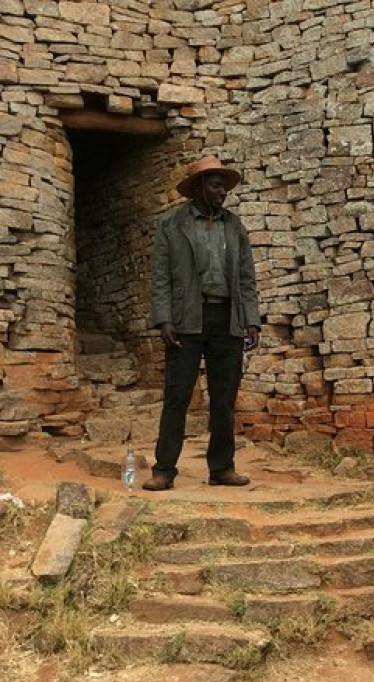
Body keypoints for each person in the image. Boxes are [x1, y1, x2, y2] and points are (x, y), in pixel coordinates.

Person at [142, 155, 261, 491]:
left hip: (227, 319)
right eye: (214, 185)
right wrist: (164, 318)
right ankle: (164, 469)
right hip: (186, 320)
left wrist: (251, 320)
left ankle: (222, 468)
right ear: (197, 188)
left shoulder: (234, 226)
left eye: (224, 185)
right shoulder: (172, 224)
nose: (222, 191)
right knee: (177, 395)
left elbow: (246, 277)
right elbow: (161, 276)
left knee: (224, 398)